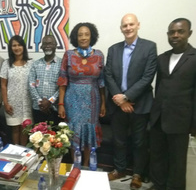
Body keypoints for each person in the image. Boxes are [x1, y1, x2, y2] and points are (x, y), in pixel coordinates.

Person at [104, 13, 157, 189]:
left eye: (131, 24)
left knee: (139, 141)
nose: (128, 28)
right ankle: (119, 169)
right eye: (125, 26)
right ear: (121, 28)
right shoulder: (113, 49)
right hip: (117, 103)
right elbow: (109, 75)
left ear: (138, 25)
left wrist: (127, 97)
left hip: (139, 104)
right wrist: (120, 99)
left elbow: (147, 77)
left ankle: (137, 173)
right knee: (118, 140)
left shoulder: (149, 47)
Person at [149, 18, 196, 190]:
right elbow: (160, 87)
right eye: (172, 32)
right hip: (158, 119)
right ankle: (159, 186)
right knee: (158, 159)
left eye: (180, 31)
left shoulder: (194, 57)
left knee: (177, 163)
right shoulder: (162, 58)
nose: (175, 35)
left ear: (189, 33)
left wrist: (194, 125)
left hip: (180, 121)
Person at [57, 22, 106, 167]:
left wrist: (103, 102)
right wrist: (60, 104)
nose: (83, 37)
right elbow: (62, 80)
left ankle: (85, 166)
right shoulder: (69, 55)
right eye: (80, 35)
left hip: (92, 100)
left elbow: (102, 81)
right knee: (74, 131)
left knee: (88, 132)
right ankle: (75, 166)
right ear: (75, 37)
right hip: (72, 99)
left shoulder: (99, 55)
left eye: (86, 34)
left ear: (92, 36)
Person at [0, 35, 33, 146]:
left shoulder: (31, 64)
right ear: (10, 48)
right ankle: (16, 151)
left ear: (23, 47)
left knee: (25, 128)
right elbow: (3, 85)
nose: (17, 48)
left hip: (27, 102)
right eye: (14, 45)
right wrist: (5, 103)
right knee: (15, 129)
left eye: (19, 45)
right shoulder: (6, 63)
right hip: (12, 102)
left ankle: (23, 152)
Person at [28, 35, 63, 125]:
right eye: (45, 44)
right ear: (41, 47)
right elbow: (31, 84)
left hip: (54, 109)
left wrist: (50, 101)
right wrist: (40, 101)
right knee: (37, 137)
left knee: (55, 137)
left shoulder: (62, 64)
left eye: (50, 43)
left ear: (56, 45)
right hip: (38, 108)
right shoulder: (36, 64)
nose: (47, 46)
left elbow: (63, 86)